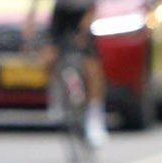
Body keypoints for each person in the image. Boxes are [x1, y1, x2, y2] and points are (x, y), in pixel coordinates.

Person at [25, 0, 108, 149]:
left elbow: (94, 7)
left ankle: (95, 116)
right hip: (62, 13)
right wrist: (30, 21)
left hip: (84, 11)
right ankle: (55, 98)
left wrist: (85, 27)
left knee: (91, 64)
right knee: (49, 56)